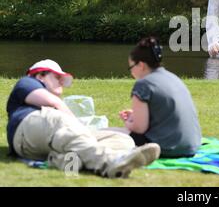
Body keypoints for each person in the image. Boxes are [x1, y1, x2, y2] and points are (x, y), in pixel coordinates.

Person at [6, 59, 160, 178]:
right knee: (58, 119)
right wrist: (80, 128)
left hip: (50, 139)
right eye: (57, 77)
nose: (61, 82)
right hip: (25, 132)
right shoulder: (27, 82)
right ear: (40, 75)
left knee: (123, 139)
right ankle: (109, 162)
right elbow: (54, 104)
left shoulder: (56, 113)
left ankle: (63, 160)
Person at [118, 36, 202, 158]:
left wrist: (128, 122)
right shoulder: (173, 78)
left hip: (166, 147)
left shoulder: (143, 84)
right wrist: (135, 115)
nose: (131, 72)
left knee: (112, 135)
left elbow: (139, 128)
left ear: (141, 65)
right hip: (192, 145)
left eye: (131, 68)